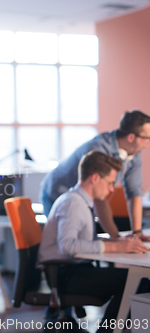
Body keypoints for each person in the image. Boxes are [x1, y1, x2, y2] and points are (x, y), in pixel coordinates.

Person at [38, 150, 148, 332]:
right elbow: (67, 245)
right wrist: (114, 245)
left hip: (72, 270)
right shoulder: (73, 203)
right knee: (139, 283)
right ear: (95, 178)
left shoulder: (80, 201)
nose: (112, 189)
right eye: (110, 183)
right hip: (65, 275)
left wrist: (120, 242)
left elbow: (84, 241)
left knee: (138, 281)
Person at [40, 110, 150, 240]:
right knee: (70, 242)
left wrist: (136, 233)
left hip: (85, 199)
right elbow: (99, 198)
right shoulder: (98, 149)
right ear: (131, 137)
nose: (148, 143)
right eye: (147, 138)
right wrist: (116, 238)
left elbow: (134, 193)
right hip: (57, 192)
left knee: (87, 239)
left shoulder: (134, 154)